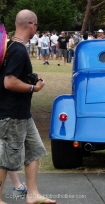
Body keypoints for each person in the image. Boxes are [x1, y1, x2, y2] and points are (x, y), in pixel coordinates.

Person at [0, 9, 56, 204]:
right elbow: (9, 82)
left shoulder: (10, 45)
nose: (36, 29)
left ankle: (32, 195)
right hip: (12, 115)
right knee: (7, 156)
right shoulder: (18, 50)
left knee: (35, 150)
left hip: (22, 113)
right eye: (37, 25)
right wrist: (34, 87)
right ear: (32, 25)